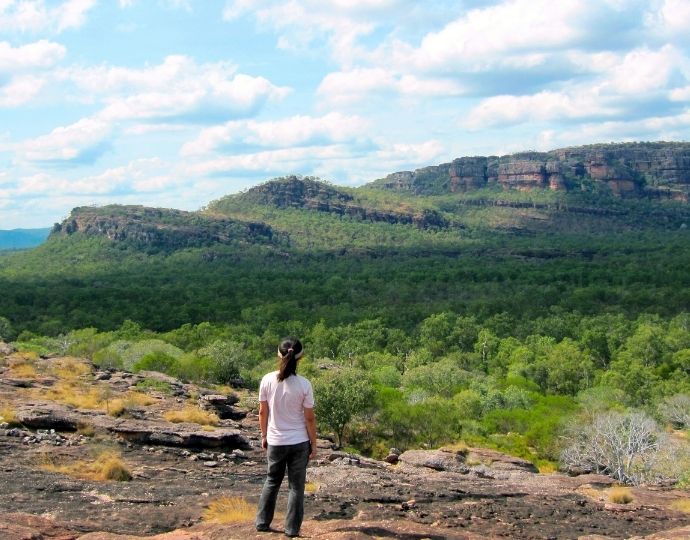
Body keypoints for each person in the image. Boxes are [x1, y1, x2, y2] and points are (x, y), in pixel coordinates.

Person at [255, 338, 317, 537]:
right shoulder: (304, 384)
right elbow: (309, 418)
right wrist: (313, 444)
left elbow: (262, 412)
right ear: (301, 357)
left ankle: (262, 523)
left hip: (275, 440)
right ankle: (291, 530)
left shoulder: (266, 380)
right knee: (296, 487)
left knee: (272, 481)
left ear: (279, 354)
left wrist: (264, 435)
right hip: (299, 442)